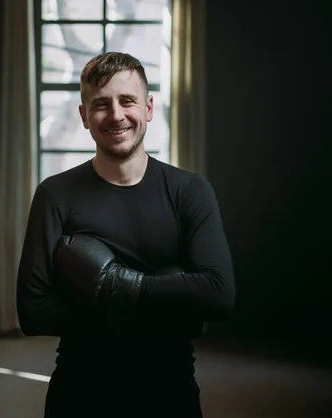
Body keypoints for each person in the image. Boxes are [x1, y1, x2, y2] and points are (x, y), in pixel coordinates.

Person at [16, 51, 235, 418]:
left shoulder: (190, 191)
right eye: (101, 104)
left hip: (169, 389)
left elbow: (219, 294)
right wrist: (166, 304)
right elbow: (32, 311)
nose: (116, 115)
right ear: (85, 116)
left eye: (127, 101)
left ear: (148, 108)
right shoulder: (55, 194)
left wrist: (119, 285)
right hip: (80, 389)